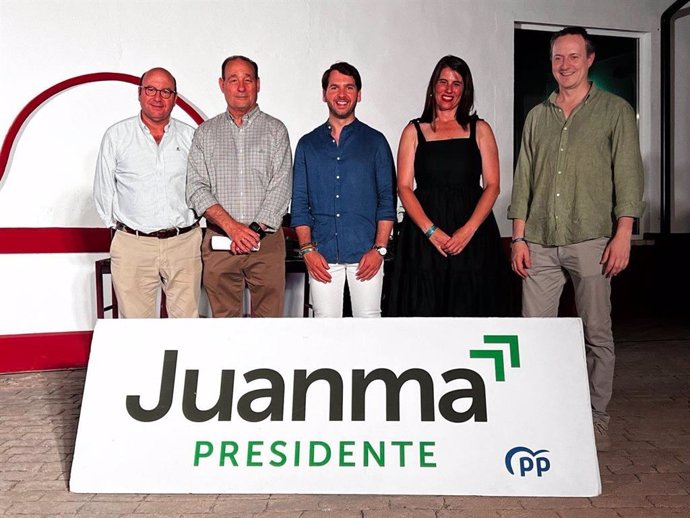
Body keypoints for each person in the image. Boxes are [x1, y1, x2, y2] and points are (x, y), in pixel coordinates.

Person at [508, 27, 645, 451]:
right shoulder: (537, 116)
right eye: (557, 58)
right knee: (534, 336)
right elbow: (524, 179)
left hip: (592, 238)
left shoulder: (615, 111)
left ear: (589, 59)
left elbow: (628, 175)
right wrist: (518, 238)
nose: (564, 65)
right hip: (541, 239)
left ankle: (594, 418)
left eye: (572, 57)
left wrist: (623, 233)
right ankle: (537, 413)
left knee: (595, 333)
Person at [387, 55, 511, 317]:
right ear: (433, 86)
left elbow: (492, 185)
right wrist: (431, 232)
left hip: (473, 237)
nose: (449, 89)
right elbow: (404, 187)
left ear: (465, 90)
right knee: (424, 307)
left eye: (457, 83)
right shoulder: (413, 130)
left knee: (472, 308)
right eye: (443, 82)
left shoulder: (480, 129)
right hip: (423, 237)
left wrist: (467, 231)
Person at [186, 55, 292, 317]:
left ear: (258, 84)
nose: (241, 87)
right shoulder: (205, 133)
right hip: (220, 241)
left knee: (270, 324)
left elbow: (281, 187)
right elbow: (196, 187)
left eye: (247, 80)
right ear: (222, 84)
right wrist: (233, 229)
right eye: (233, 80)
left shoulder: (276, 130)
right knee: (225, 325)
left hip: (266, 243)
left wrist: (252, 232)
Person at [93, 67, 202, 318]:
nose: (158, 97)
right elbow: (103, 188)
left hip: (184, 243)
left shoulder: (190, 136)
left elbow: (201, 186)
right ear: (140, 94)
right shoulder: (117, 136)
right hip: (133, 244)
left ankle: (181, 361)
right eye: (151, 89)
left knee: (187, 325)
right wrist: (124, 231)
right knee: (136, 329)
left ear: (175, 98)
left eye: (166, 91)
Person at [291, 62, 396, 318]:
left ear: (359, 94)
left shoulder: (376, 142)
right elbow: (300, 202)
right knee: (325, 327)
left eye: (349, 87)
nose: (341, 94)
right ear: (324, 94)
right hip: (323, 256)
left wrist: (380, 249)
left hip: (366, 255)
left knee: (369, 323)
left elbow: (387, 199)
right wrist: (308, 251)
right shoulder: (308, 144)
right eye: (334, 87)